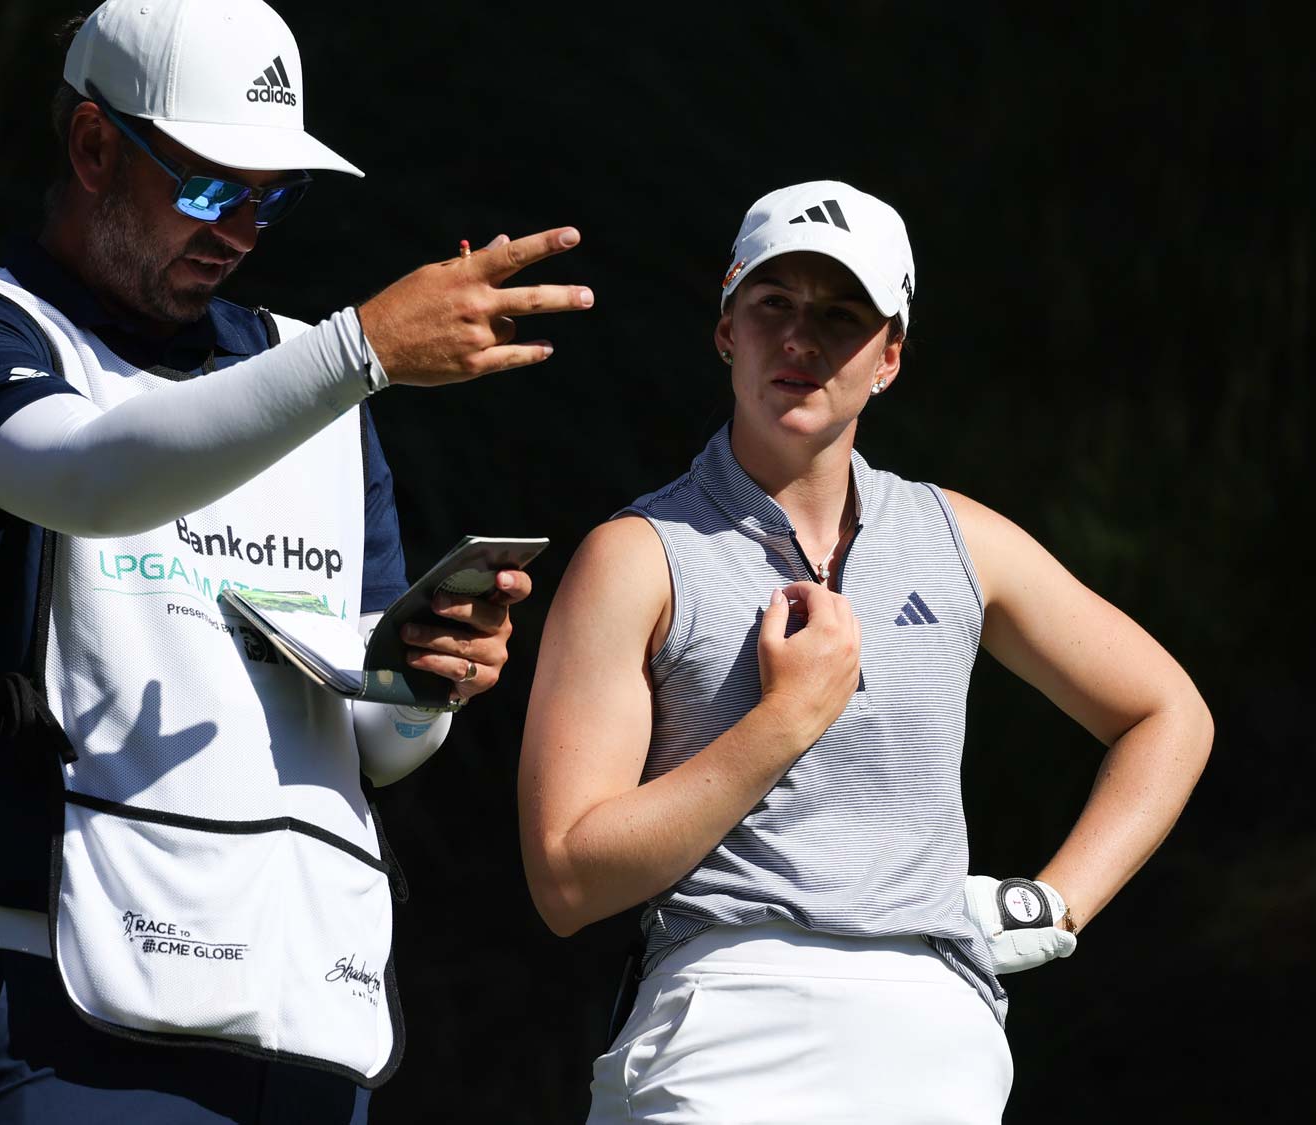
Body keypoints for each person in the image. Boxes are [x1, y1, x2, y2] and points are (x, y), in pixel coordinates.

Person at [0, 1, 593, 1121]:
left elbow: (374, 745)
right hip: (53, 1018)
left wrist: (421, 682)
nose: (241, 233)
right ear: (94, 148)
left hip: (303, 1016)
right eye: (210, 188)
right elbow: (92, 480)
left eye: (273, 197)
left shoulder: (315, 380)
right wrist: (362, 352)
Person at [517, 181, 1213, 1123]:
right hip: (726, 1020)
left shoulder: (961, 540)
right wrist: (784, 723)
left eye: (842, 316)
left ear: (889, 355)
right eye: (774, 305)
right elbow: (566, 877)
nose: (801, 340)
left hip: (935, 1039)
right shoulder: (638, 555)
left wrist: (1051, 908)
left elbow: (1167, 714)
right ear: (727, 328)